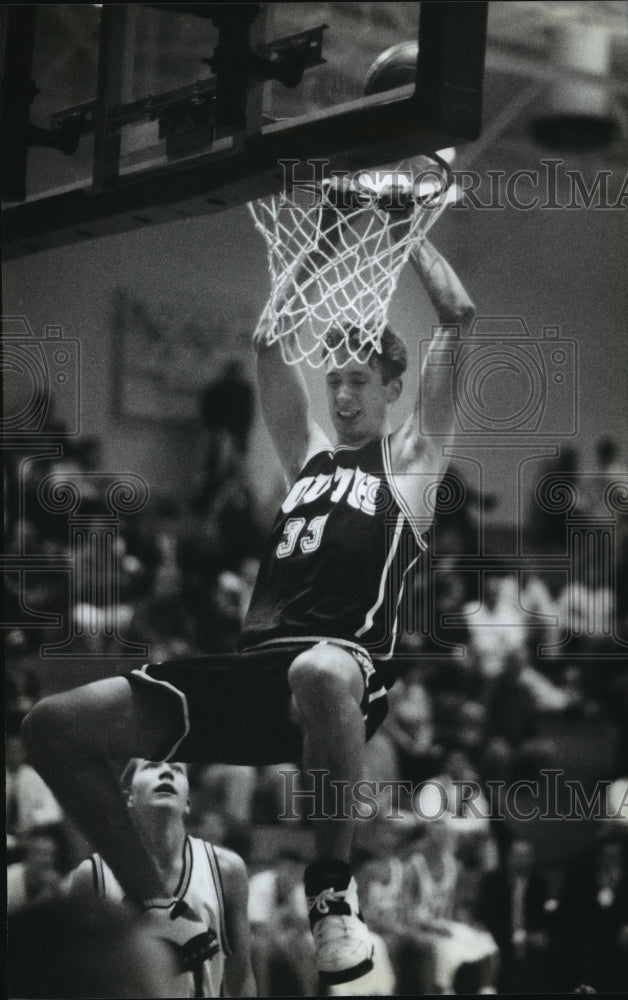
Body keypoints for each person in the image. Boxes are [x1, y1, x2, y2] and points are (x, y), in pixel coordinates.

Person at [23, 232, 474, 985]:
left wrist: (413, 230)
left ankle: (331, 895)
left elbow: (458, 316)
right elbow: (269, 340)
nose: (343, 396)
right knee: (51, 726)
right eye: (335, 380)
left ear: (394, 387)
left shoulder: (411, 465)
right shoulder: (308, 459)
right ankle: (162, 908)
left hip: (341, 677)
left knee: (319, 669)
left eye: (360, 381)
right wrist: (324, 244)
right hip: (250, 672)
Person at [67, 758, 256, 998]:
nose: (166, 771)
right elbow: (76, 979)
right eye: (152, 766)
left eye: (177, 770)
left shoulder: (226, 869)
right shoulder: (91, 875)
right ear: (129, 797)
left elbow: (241, 977)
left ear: (188, 802)